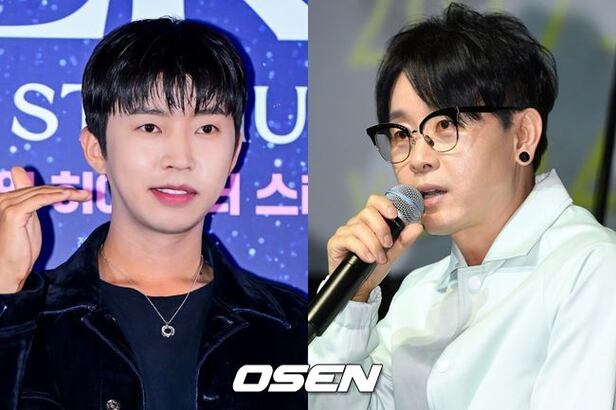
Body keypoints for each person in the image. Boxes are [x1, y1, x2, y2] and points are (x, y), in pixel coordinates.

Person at [309, 3, 616, 409]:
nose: (418, 158)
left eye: (446, 124)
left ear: (523, 134)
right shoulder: (419, 293)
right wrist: (353, 302)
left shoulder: (590, 268)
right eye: (401, 133)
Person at [0, 18, 306, 410]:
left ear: (234, 152)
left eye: (207, 128)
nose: (180, 158)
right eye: (150, 126)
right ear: (96, 149)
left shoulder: (288, 324)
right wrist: (5, 291)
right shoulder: (29, 320)